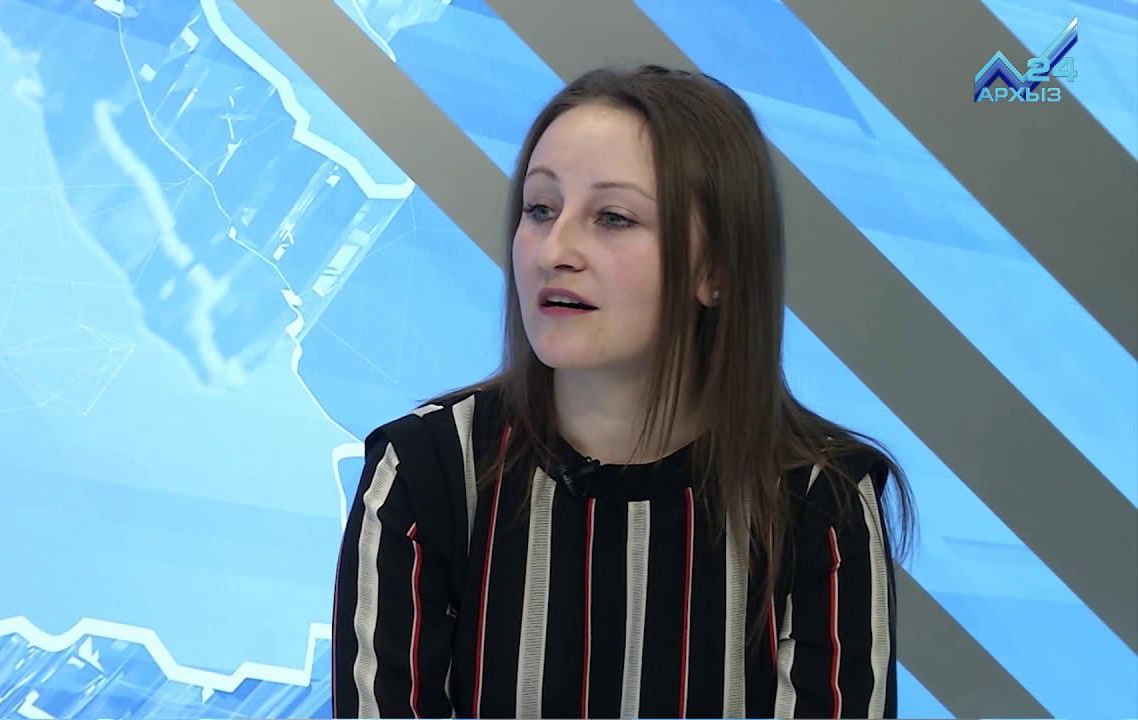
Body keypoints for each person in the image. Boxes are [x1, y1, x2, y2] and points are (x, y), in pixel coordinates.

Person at [331, 63, 917, 719]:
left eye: (613, 217)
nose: (555, 251)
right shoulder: (424, 473)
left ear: (717, 270)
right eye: (540, 209)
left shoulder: (820, 500)